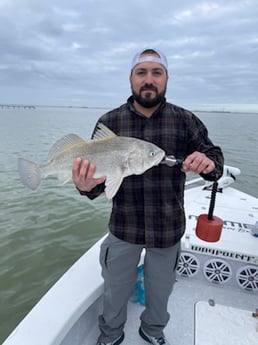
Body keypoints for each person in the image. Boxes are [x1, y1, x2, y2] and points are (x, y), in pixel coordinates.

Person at [72, 48, 224, 345]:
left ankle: (152, 331)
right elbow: (98, 184)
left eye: (157, 73)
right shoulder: (110, 122)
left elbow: (214, 156)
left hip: (167, 228)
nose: (149, 80)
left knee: (161, 289)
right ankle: (111, 335)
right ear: (131, 78)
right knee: (115, 289)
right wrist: (85, 185)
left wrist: (209, 165)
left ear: (166, 79)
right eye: (141, 72)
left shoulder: (185, 120)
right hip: (123, 228)